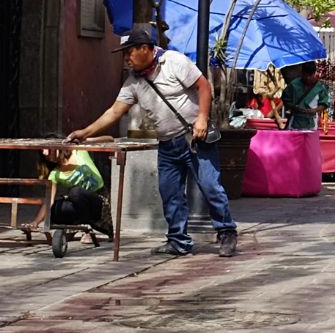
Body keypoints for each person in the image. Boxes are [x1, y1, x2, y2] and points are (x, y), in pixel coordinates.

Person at [67, 25, 238, 258]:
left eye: (129, 52)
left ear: (145, 49)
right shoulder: (133, 81)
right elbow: (115, 111)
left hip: (194, 139)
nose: (126, 58)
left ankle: (226, 232)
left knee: (210, 187)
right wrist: (85, 132)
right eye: (124, 54)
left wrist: (202, 118)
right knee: (170, 194)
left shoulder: (174, 61)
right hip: (167, 144)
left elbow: (203, 86)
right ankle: (178, 241)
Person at [281, 62, 332, 131]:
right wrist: (294, 107)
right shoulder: (293, 85)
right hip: (295, 123)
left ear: (314, 74)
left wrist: (314, 110)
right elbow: (285, 99)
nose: (307, 78)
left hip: (311, 123)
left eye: (310, 75)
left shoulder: (320, 87)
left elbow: (324, 103)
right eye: (305, 75)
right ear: (302, 73)